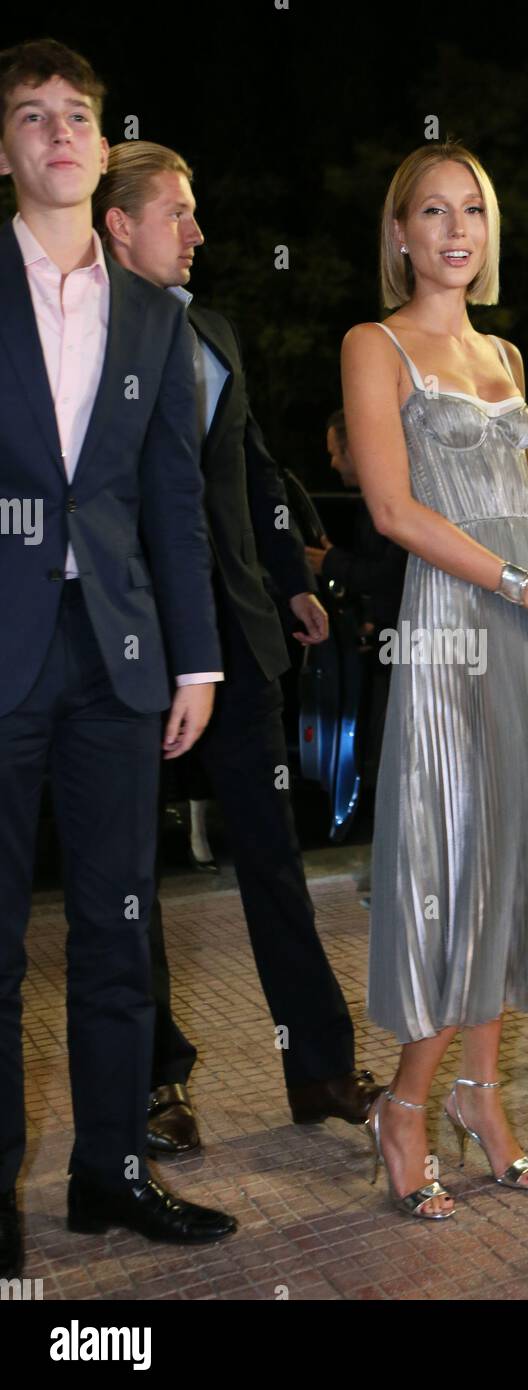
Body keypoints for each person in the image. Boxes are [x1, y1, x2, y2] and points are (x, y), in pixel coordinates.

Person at [342, 141, 528, 1219]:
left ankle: (478, 1097)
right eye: (430, 211)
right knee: (457, 868)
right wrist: (523, 587)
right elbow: (394, 513)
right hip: (456, 628)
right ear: (399, 233)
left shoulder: (503, 351)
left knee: (510, 867)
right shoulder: (374, 345)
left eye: (472, 210)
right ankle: (402, 1108)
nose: (455, 229)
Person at [93, 141, 383, 1156]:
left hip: (237, 637)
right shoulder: (83, 332)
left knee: (272, 853)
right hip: (127, 646)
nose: (199, 232)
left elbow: (253, 471)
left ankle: (318, 1066)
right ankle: (152, 1084)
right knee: (130, 874)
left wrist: (293, 582)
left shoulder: (212, 331)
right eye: (177, 212)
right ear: (117, 223)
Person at [0, 40, 236, 1279]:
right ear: (5, 151)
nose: (56, 133)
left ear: (99, 144)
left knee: (119, 929)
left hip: (123, 665)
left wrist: (195, 661)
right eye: (30, 116)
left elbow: (171, 502)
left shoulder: (155, 313)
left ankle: (110, 1173)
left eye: (74, 115)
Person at [305, 408, 408, 898]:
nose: (331, 462)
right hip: (391, 647)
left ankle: (400, 876)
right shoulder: (376, 498)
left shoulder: (390, 498)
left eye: (334, 450)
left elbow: (396, 573)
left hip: (409, 653)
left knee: (398, 762)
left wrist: (334, 564)